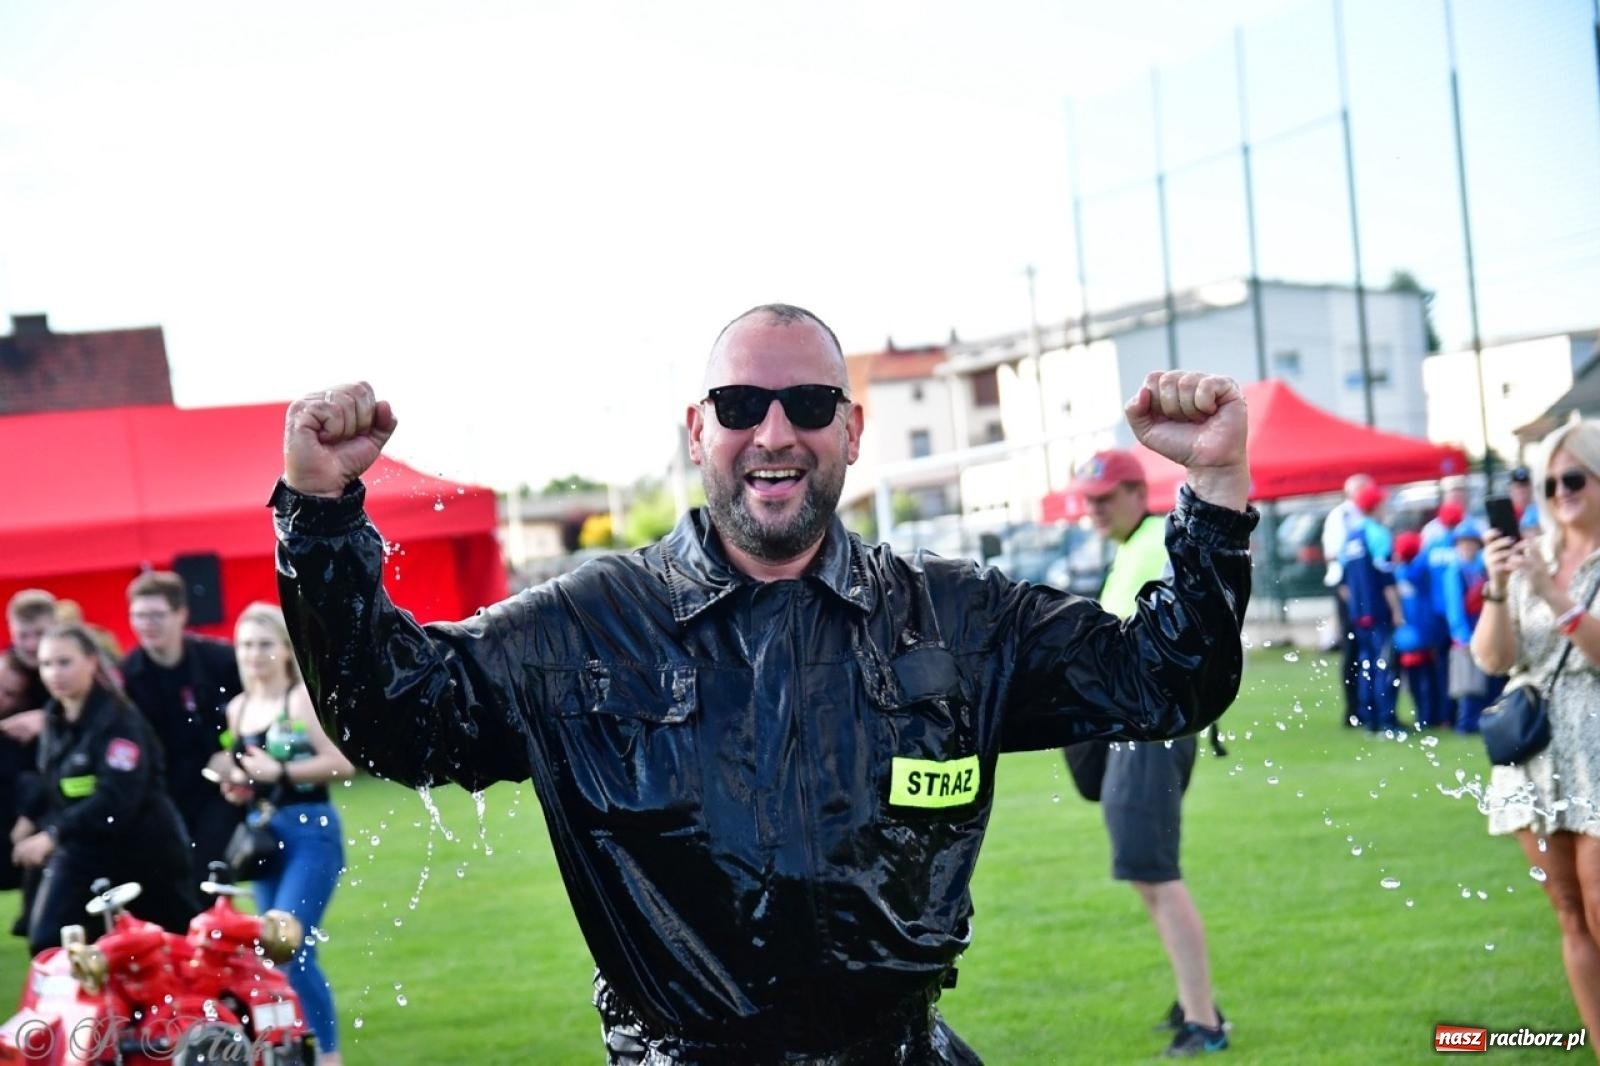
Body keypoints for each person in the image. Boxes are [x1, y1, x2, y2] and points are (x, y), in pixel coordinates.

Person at [272, 304, 1257, 1063]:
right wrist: (318, 517)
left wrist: (1212, 492)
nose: (775, 433)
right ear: (698, 429)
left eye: (809, 405)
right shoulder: (587, 625)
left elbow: (1166, 681)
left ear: (853, 428)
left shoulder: (956, 617)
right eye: (742, 407)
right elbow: (398, 718)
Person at [1066, 448, 1229, 1057]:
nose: (1095, 510)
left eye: (1105, 498)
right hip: (1138, 731)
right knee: (1148, 873)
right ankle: (1198, 1000)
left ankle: (1205, 1022)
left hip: (1152, 735)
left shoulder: (1156, 543)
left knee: (1154, 873)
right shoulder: (1133, 548)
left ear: (1138, 492)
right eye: (1089, 500)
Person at [1472, 418, 1600, 1053]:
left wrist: (1554, 596)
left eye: (1573, 478)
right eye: (1549, 483)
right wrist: (1500, 587)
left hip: (1597, 747)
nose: (1559, 492)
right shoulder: (1532, 557)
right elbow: (1494, 660)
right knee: (1570, 916)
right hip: (1536, 753)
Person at [10, 624, 200, 955]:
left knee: (176, 949)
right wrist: (29, 818)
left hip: (144, 853)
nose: (55, 673)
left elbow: (117, 799)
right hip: (85, 852)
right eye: (46, 664)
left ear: (92, 662)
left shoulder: (119, 721)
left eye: (64, 662)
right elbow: (52, 781)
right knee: (51, 941)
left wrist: (53, 834)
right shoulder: (55, 718)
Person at [219, 602, 353, 1066]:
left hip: (310, 831)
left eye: (263, 644)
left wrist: (278, 769)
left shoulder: (298, 699)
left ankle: (327, 1055)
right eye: (245, 645)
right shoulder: (237, 709)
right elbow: (252, 778)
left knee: (291, 945)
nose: (253, 655)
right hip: (263, 837)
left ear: (285, 649)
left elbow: (341, 762)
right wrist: (240, 784)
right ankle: (287, 1049)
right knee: (266, 952)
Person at [120, 570, 245, 881]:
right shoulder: (125, 677)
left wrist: (235, 752)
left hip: (220, 787)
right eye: (139, 615)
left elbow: (262, 710)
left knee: (207, 870)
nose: (147, 624)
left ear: (181, 615)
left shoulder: (221, 661)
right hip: (162, 791)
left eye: (156, 615)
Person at [1337, 483, 1403, 732]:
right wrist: (1397, 610)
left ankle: (1368, 717)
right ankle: (1387, 719)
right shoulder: (1378, 534)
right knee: (1384, 663)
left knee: (1366, 663)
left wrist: (1357, 606)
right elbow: (1387, 580)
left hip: (1359, 614)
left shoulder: (1351, 536)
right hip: (1379, 612)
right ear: (1375, 506)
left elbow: (1343, 584)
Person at [1322, 474, 1374, 727]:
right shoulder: (1341, 517)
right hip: (1349, 588)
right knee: (1352, 648)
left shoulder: (1369, 516)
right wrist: (1347, 588)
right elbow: (1334, 554)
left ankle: (1372, 705)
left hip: (1367, 588)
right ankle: (1354, 709)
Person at [1508, 465, 1542, 533]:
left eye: (1525, 485)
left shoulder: (1542, 512)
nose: (1522, 491)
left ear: (1532, 487)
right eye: (1518, 487)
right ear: (1510, 489)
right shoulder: (1505, 513)